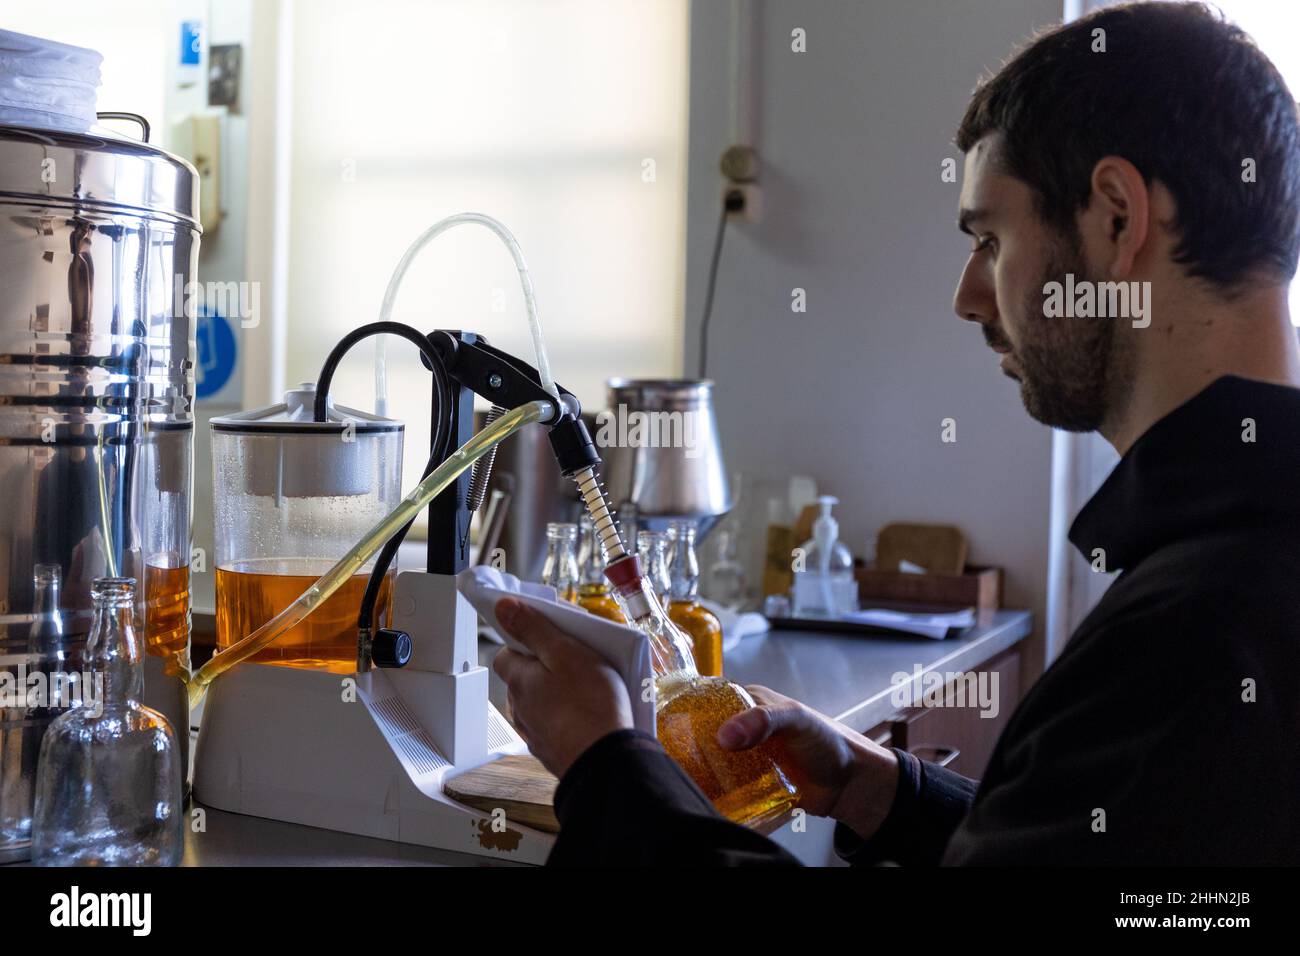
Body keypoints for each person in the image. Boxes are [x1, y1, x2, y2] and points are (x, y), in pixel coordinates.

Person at [492, 1, 1300, 865]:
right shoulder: (1234, 565)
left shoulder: (1196, 630)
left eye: (990, 239)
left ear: (1115, 216)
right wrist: (880, 791)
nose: (968, 296)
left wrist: (605, 766)